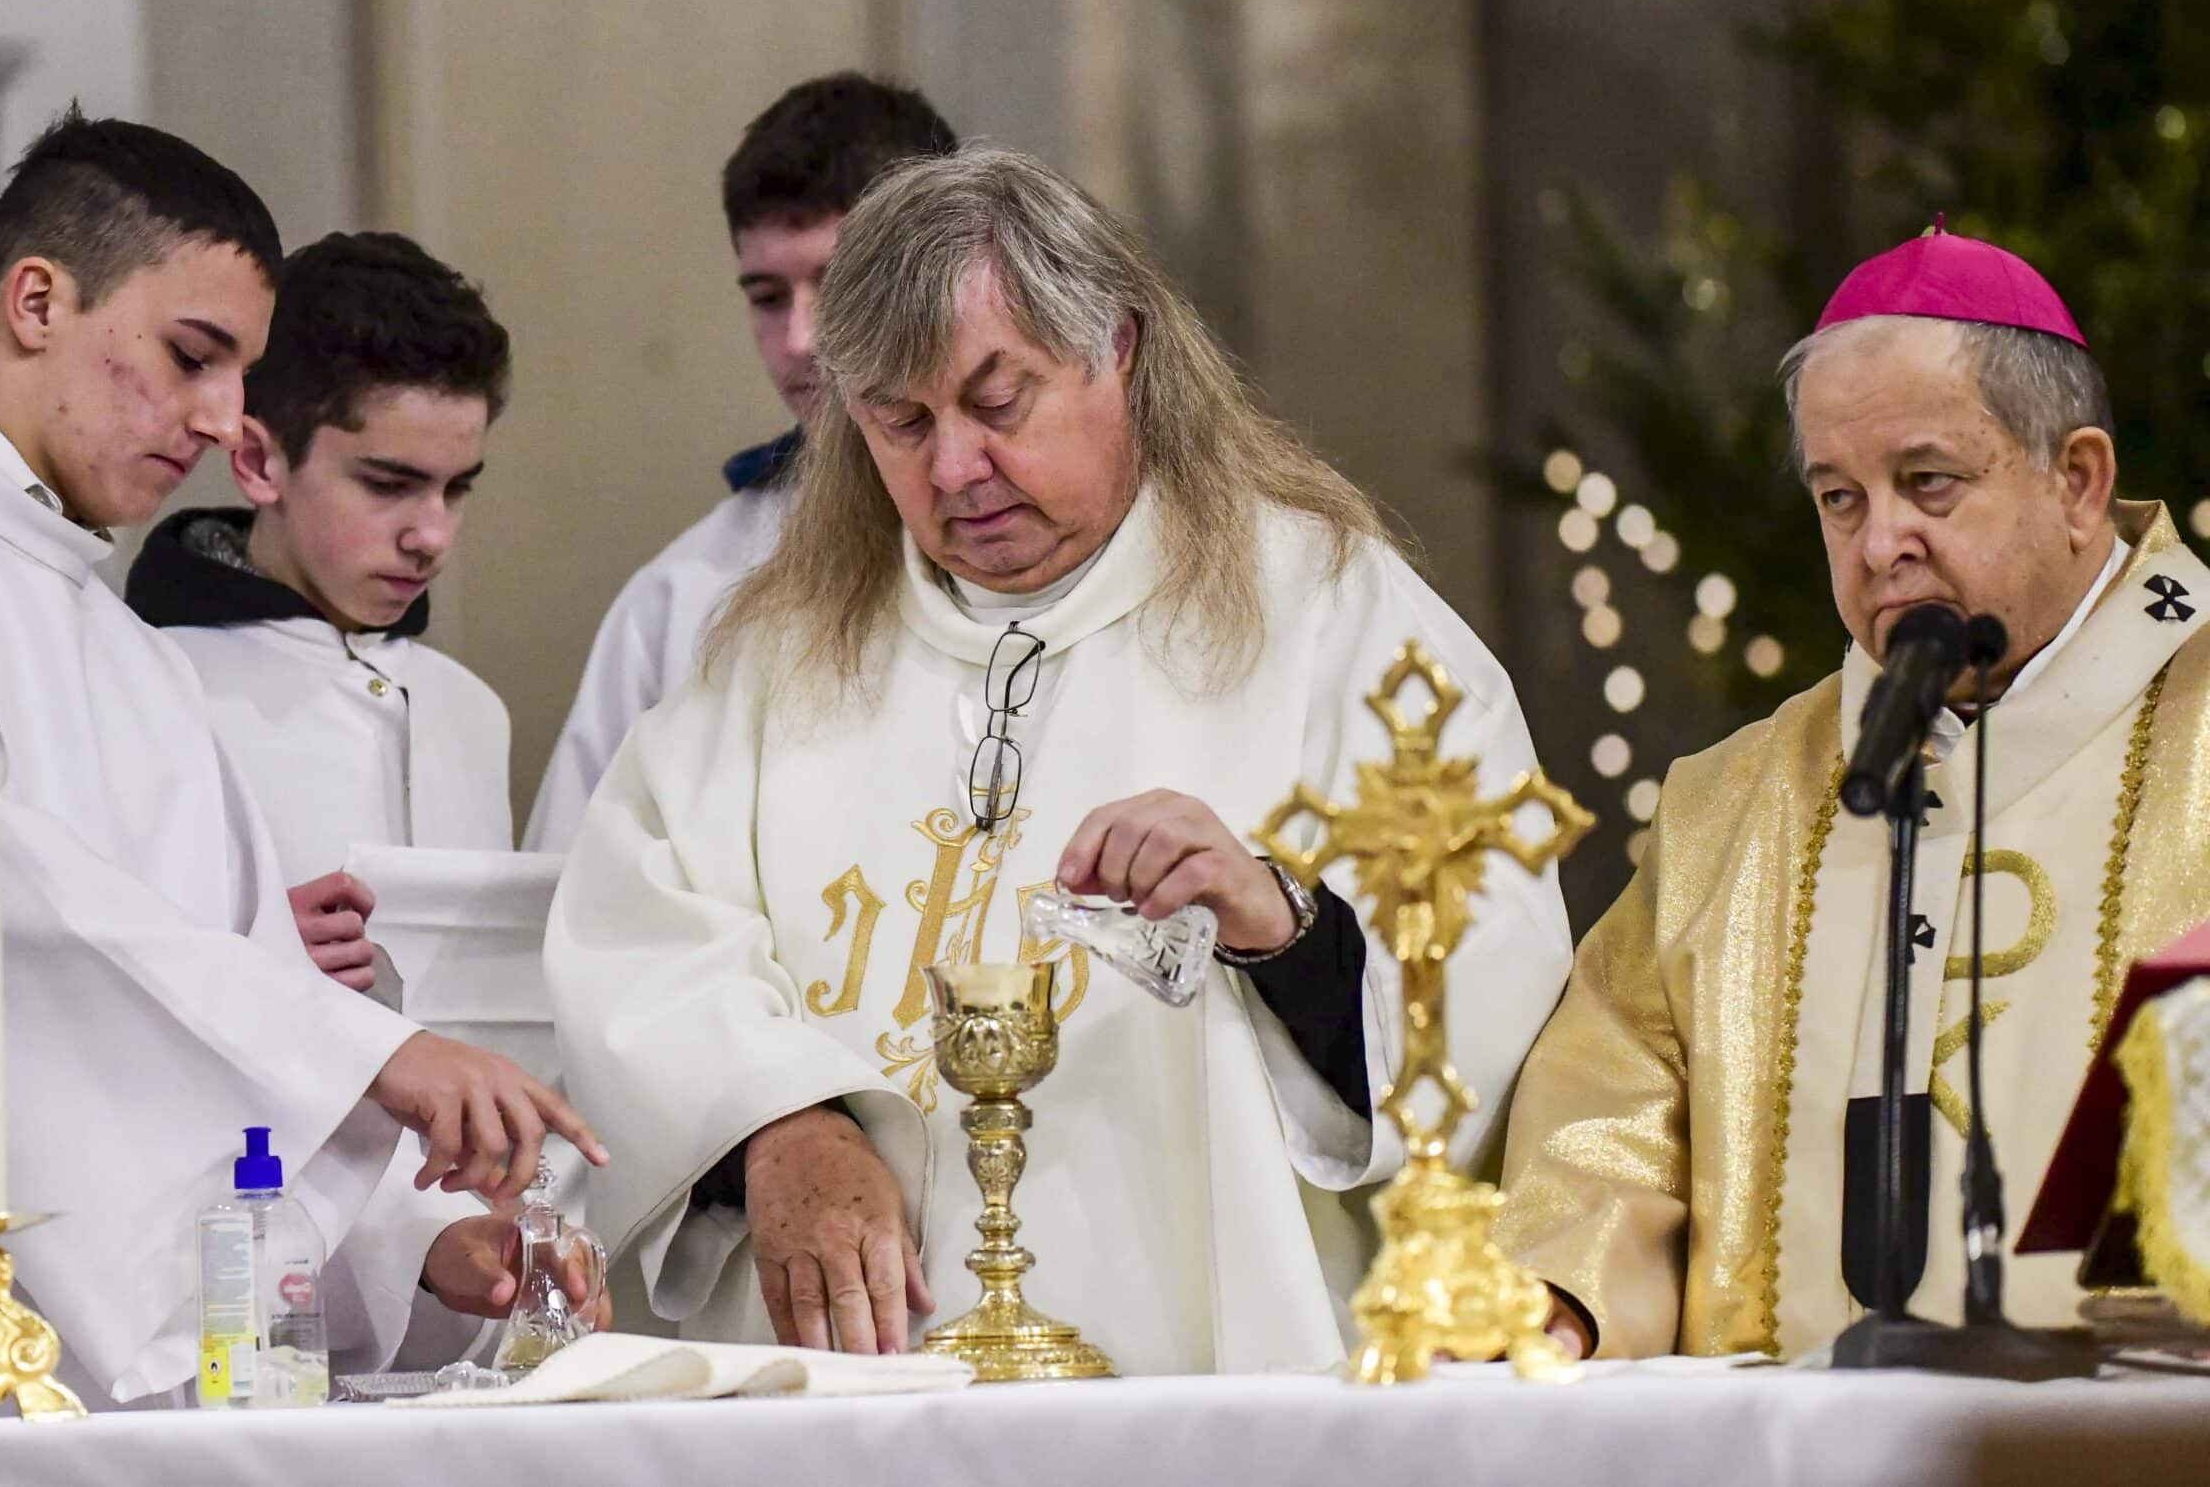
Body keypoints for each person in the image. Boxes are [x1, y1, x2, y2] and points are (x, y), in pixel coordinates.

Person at [0, 111, 601, 1471]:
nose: (221, 419)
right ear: (37, 301)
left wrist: (411, 1242)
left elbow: (225, 987)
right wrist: (368, 1055)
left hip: (71, 1360)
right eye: (191, 356)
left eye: (241, 375)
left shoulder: (129, 654)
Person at [544, 148, 1571, 1372]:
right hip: (848, 1402)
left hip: (1206, 1390)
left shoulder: (1333, 616)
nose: (953, 469)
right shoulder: (781, 656)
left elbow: (1490, 1004)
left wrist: (1284, 932)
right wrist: (775, 1124)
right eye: (900, 422)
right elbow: (634, 933)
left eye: (998, 403)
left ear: (1118, 350)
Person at [1497, 225, 2210, 1359]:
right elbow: (1606, 1114)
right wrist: (1560, 1308)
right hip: (1795, 1441)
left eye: (1929, 483)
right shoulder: (1732, 805)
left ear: (2078, 482)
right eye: (1839, 498)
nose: (1881, 544)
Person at [126, 231, 583, 1199]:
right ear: (259, 460)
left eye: (457, 488)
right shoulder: (146, 682)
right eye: (388, 484)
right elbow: (88, 1007)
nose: (432, 534)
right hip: (234, 1221)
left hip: (455, 1233)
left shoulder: (470, 710)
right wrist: (255, 957)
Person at [522, 72, 957, 850]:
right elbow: (573, 885)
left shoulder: (1065, 539)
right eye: (766, 296)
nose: (800, 340)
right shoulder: (686, 593)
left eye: (837, 283)